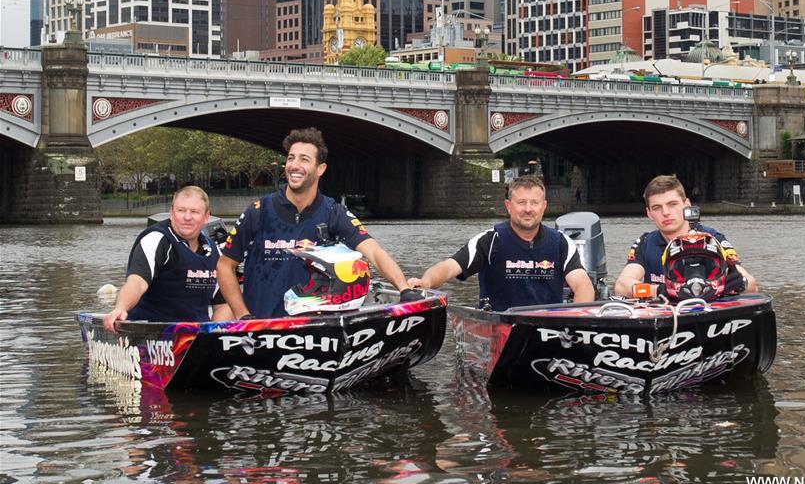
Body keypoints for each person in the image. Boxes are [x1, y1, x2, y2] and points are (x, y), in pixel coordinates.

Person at [217, 127, 421, 319]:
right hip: (263, 329)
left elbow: (374, 252)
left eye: (304, 159)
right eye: (291, 158)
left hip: (315, 329)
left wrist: (404, 289)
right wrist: (243, 317)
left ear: (320, 169)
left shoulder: (333, 212)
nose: (294, 165)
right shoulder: (258, 211)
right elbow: (225, 266)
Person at [408, 175, 595, 312]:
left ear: (544, 207)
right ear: (508, 206)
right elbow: (449, 267)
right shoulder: (490, 240)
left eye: (534, 203)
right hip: (500, 328)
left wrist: (575, 319)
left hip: (548, 330)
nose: (528, 209)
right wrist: (426, 282)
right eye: (521, 202)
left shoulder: (561, 242)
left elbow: (582, 285)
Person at [103, 186, 231, 331]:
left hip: (196, 335)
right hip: (151, 332)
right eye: (181, 210)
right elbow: (137, 282)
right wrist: (121, 308)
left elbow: (223, 304)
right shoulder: (156, 240)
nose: (187, 217)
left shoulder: (215, 252)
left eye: (194, 212)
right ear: (171, 212)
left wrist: (214, 332)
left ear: (206, 217)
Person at [613, 174, 758, 298]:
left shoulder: (713, 238)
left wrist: (739, 283)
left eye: (672, 204)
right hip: (664, 311)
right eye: (657, 208)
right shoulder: (645, 243)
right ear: (649, 213)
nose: (665, 212)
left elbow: (752, 285)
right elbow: (621, 286)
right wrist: (660, 290)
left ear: (686, 204)